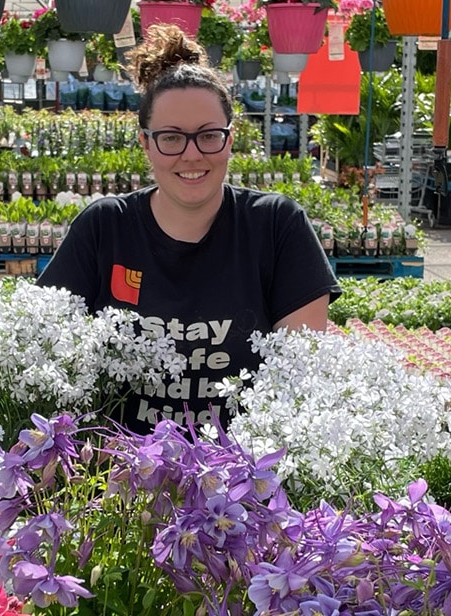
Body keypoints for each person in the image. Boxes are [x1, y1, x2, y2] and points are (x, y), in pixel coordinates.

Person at [39, 24, 340, 430]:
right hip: (121, 478)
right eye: (171, 138)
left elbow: (301, 374)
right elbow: (43, 348)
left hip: (242, 478)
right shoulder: (105, 228)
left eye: (209, 136)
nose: (192, 154)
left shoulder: (276, 225)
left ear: (230, 140)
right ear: (146, 144)